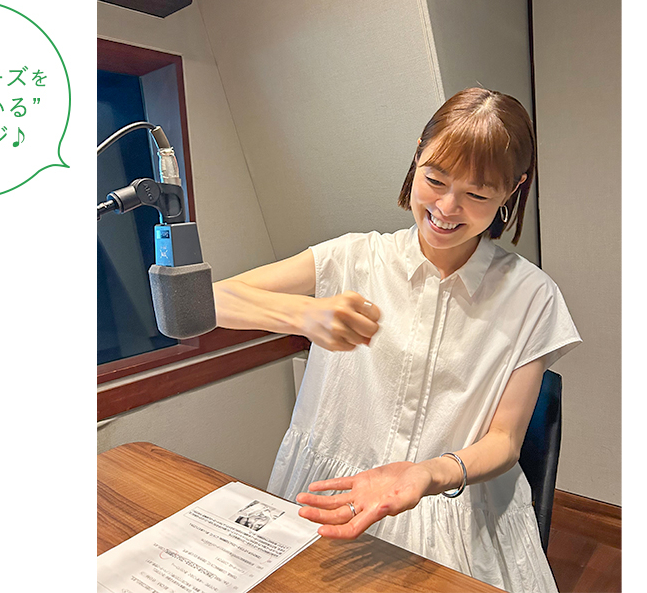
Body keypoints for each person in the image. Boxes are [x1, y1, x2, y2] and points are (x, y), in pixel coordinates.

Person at [212, 88, 581, 593]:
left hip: (455, 512)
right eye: (435, 180)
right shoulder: (351, 259)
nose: (446, 208)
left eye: (476, 195)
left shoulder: (531, 295)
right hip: (329, 494)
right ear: (417, 155)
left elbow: (504, 441)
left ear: (512, 190)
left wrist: (427, 475)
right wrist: (301, 313)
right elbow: (204, 302)